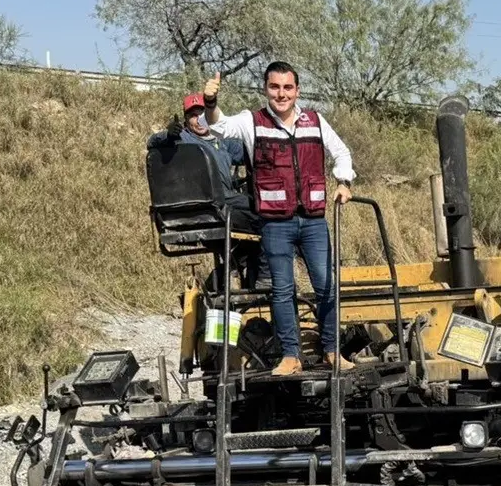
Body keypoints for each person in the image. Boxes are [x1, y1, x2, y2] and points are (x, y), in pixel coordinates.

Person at [203, 61, 356, 377]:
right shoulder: (252, 122)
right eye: (275, 87)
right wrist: (210, 103)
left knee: (326, 286)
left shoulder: (314, 121)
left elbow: (341, 152)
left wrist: (344, 182)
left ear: (297, 90)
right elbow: (219, 126)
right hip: (275, 224)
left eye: (287, 87)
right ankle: (290, 356)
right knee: (282, 290)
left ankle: (332, 351)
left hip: (314, 221)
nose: (281, 94)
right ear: (266, 89)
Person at [147, 92, 268, 287]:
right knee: (266, 214)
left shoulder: (222, 139)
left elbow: (252, 151)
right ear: (186, 119)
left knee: (265, 211)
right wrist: (167, 134)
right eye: (193, 115)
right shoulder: (181, 139)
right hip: (210, 204)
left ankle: (235, 270)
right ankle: (263, 276)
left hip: (226, 201)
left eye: (203, 113)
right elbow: (152, 143)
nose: (199, 119)